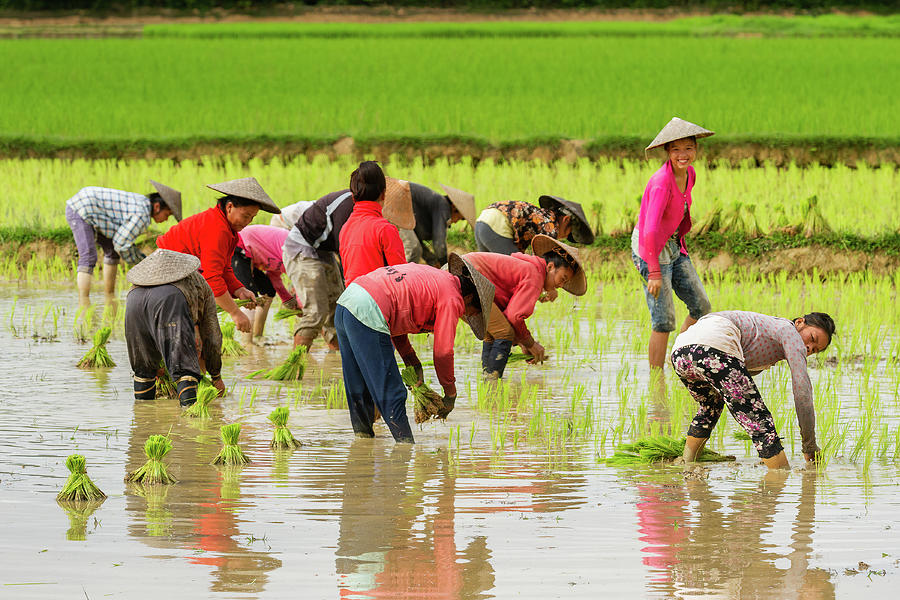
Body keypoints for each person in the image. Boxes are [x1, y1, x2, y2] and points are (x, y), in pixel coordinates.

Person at [334, 254, 494, 443]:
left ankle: (362, 442)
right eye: (471, 312)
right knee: (392, 391)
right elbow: (443, 352)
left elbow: (396, 314)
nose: (466, 316)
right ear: (468, 297)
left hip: (347, 301)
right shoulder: (452, 298)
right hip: (368, 309)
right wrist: (450, 393)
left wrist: (412, 360)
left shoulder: (433, 277)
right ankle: (405, 447)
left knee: (358, 385)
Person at [671, 310, 836, 469]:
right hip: (714, 347)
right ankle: (780, 479)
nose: (808, 347)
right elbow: (802, 391)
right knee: (761, 424)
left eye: (814, 350)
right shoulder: (789, 332)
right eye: (812, 338)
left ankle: (688, 463)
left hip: (680, 352)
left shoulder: (769, 330)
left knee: (711, 405)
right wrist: (809, 445)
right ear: (799, 322)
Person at [632, 117, 714, 376]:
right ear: (667, 152)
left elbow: (679, 213)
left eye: (688, 148)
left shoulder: (690, 174)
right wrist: (654, 272)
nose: (683, 154)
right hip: (650, 249)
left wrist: (681, 244)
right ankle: (656, 383)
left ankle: (678, 357)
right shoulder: (660, 183)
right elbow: (651, 229)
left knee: (701, 307)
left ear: (696, 150)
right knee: (663, 320)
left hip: (673, 245)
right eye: (676, 149)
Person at [156, 177, 281, 334]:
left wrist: (239, 290)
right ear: (229, 207)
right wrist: (235, 313)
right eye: (245, 215)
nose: (248, 221)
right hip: (165, 271)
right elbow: (212, 277)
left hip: (181, 272)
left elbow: (224, 268)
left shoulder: (229, 231)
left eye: (252, 218)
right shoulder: (217, 229)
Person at [464, 234, 586, 379]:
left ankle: (488, 382)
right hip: (468, 278)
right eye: (562, 279)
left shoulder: (528, 266)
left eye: (564, 283)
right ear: (550, 267)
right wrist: (531, 344)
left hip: (461, 273)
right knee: (504, 333)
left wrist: (523, 342)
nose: (560, 286)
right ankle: (492, 382)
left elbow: (507, 316)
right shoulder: (534, 275)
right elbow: (514, 317)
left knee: (494, 333)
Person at [124, 249, 226, 407]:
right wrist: (216, 375)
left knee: (143, 372)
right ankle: (191, 417)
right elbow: (212, 333)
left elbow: (152, 336)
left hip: (133, 301)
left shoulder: (135, 286)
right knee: (184, 367)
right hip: (171, 300)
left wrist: (155, 364)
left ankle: (143, 420)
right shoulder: (198, 282)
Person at [65, 180, 181, 308]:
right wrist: (143, 264)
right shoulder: (142, 215)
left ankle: (109, 296)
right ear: (157, 207)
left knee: (112, 253)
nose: (166, 219)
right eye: (167, 214)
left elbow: (119, 241)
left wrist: (142, 262)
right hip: (80, 209)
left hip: (96, 211)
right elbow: (122, 244)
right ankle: (84, 303)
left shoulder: (142, 205)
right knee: (89, 256)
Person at [339, 161, 410, 286]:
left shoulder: (345, 228)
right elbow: (400, 276)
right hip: (376, 300)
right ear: (383, 194)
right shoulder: (385, 229)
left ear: (353, 197)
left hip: (350, 299)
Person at [233, 224, 297, 340]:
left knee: (268, 291)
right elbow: (305, 287)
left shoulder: (287, 259)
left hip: (254, 255)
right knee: (248, 296)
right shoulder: (294, 250)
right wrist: (302, 305)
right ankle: (247, 344)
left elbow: (275, 277)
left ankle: (258, 336)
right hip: (241, 245)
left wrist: (288, 300)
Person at [474, 195, 594, 255]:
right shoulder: (551, 226)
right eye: (568, 234)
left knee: (490, 276)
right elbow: (544, 263)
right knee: (516, 271)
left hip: (482, 221)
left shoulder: (543, 216)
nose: (562, 238)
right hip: (497, 227)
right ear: (566, 220)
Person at [399, 183, 475, 267]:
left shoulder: (436, 205)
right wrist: (445, 266)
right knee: (413, 248)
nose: (456, 222)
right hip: (396, 205)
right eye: (459, 218)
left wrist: (433, 261)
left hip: (401, 209)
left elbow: (418, 240)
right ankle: (402, 276)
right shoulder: (443, 206)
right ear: (454, 207)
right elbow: (439, 244)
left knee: (415, 247)